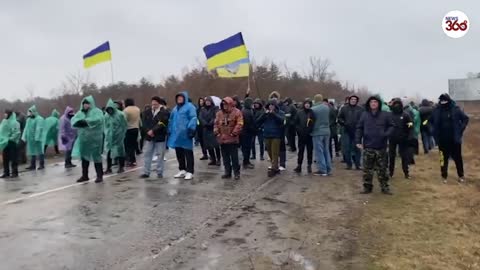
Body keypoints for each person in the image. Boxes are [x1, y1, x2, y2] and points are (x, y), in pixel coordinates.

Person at [355, 96, 394, 195]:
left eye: (375, 102)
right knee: (367, 169)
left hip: (381, 146)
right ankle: (367, 187)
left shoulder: (385, 115)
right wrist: (358, 141)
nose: (373, 103)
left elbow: (392, 126)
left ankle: (385, 187)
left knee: (382, 169)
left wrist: (386, 134)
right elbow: (359, 128)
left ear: (379, 104)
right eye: (371, 102)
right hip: (368, 146)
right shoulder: (364, 115)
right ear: (369, 103)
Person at [430, 94, 469, 183]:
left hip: (455, 139)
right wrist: (432, 130)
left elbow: (465, 119)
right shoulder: (436, 110)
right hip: (442, 140)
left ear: (448, 100)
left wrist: (460, 129)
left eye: (444, 100)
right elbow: (429, 121)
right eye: (441, 101)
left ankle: (461, 175)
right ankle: (444, 176)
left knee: (458, 158)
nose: (443, 102)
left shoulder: (456, 109)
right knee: (443, 158)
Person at [72, 96, 105, 183]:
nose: (85, 105)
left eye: (87, 103)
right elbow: (74, 120)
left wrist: (86, 121)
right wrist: (77, 122)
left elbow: (99, 119)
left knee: (96, 156)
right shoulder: (80, 113)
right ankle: (85, 175)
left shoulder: (97, 111)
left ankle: (99, 175)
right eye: (84, 103)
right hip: (84, 139)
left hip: (95, 138)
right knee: (84, 157)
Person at [168, 91, 197, 180]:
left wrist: (191, 129)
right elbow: (171, 120)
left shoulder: (190, 107)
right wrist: (169, 129)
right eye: (178, 98)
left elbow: (193, 118)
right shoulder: (175, 109)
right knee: (179, 152)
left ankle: (190, 171)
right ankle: (182, 169)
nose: (179, 99)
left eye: (181, 97)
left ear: (185, 98)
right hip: (176, 135)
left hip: (186, 134)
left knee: (188, 152)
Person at [214, 97, 244, 180]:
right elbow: (216, 123)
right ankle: (227, 172)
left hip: (232, 139)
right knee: (225, 158)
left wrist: (234, 133)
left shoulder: (237, 112)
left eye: (226, 104)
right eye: (223, 104)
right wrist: (216, 132)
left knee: (234, 158)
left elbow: (240, 123)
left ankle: (236, 173)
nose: (224, 106)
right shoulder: (219, 113)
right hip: (222, 139)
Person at [140, 96, 170, 178]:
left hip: (160, 136)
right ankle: (146, 172)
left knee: (160, 155)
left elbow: (162, 123)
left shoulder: (164, 112)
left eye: (155, 104)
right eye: (152, 103)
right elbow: (144, 123)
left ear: (159, 103)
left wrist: (153, 130)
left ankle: (159, 172)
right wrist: (148, 131)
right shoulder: (147, 112)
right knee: (147, 154)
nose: (154, 105)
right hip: (149, 136)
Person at [257, 98, 285, 177]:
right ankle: (275, 166)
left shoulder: (280, 113)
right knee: (269, 152)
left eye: (272, 105)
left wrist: (274, 114)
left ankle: (273, 168)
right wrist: (264, 115)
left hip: (276, 135)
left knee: (275, 152)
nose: (271, 106)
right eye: (269, 105)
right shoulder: (266, 113)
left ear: (275, 106)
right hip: (267, 135)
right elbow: (258, 121)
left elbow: (282, 121)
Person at [388, 98, 414, 179]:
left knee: (404, 157)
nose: (397, 106)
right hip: (392, 138)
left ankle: (406, 173)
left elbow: (410, 125)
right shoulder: (389, 115)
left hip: (403, 139)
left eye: (398, 105)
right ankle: (390, 173)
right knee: (391, 156)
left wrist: (409, 135)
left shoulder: (405, 115)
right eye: (395, 105)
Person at [338, 95, 364, 170]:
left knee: (357, 148)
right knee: (347, 148)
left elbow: (363, 119)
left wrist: (360, 127)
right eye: (352, 99)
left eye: (355, 99)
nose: (353, 100)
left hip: (357, 131)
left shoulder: (360, 109)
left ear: (357, 101)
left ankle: (357, 164)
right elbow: (339, 118)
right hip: (346, 131)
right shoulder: (344, 108)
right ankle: (349, 164)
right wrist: (344, 123)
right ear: (349, 100)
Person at [104, 99, 128, 175]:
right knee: (108, 152)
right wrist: (106, 133)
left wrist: (122, 134)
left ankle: (121, 167)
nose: (109, 111)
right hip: (109, 137)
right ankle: (108, 168)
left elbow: (124, 125)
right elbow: (105, 126)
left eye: (111, 109)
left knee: (120, 152)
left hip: (118, 136)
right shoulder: (106, 116)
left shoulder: (120, 114)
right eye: (108, 109)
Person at [311, 94, 332, 176]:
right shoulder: (327, 108)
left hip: (317, 132)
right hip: (327, 131)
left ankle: (322, 169)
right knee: (326, 150)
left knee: (319, 151)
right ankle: (328, 168)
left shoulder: (313, 109)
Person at [294, 99, 315, 174]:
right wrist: (298, 130)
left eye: (308, 104)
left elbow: (313, 123)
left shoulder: (312, 113)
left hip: (309, 135)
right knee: (301, 151)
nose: (307, 105)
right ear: (304, 104)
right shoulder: (299, 113)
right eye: (306, 103)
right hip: (301, 135)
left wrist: (310, 130)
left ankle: (309, 165)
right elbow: (295, 123)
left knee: (310, 151)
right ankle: (299, 165)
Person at [199, 96, 221, 166]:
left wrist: (211, 123)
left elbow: (216, 117)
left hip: (213, 128)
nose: (208, 102)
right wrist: (205, 123)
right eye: (206, 101)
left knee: (216, 145)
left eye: (209, 101)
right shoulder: (202, 109)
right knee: (208, 146)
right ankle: (213, 159)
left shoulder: (215, 108)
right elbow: (200, 117)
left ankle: (218, 159)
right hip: (205, 129)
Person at [22, 105, 46, 170]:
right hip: (30, 139)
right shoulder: (28, 120)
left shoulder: (39, 119)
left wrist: (37, 137)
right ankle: (32, 165)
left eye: (30, 112)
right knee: (32, 152)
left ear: (34, 112)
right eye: (29, 112)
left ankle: (41, 164)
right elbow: (26, 129)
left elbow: (39, 128)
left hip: (38, 139)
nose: (29, 113)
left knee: (40, 151)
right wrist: (24, 137)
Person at [269, 91, 287, 171]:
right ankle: (274, 163)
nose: (274, 99)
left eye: (275, 97)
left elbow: (284, 119)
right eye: (272, 97)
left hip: (281, 130)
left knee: (282, 147)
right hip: (272, 131)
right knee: (273, 148)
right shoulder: (269, 107)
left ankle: (282, 163)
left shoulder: (282, 107)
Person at [0, 110, 21, 178]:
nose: (4, 115)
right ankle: (6, 172)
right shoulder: (4, 122)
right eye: (4, 113)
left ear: (9, 114)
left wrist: (10, 138)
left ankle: (15, 172)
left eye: (6, 113)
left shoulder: (15, 123)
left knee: (13, 158)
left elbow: (17, 133)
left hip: (12, 143)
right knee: (5, 158)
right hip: (4, 143)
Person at [123, 98, 141, 167]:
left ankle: (130, 160)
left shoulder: (126, 110)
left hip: (128, 129)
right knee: (133, 145)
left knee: (128, 146)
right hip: (136, 128)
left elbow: (124, 120)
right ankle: (133, 160)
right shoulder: (137, 109)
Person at [240, 97, 255, 169]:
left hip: (246, 132)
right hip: (246, 133)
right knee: (246, 148)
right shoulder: (246, 111)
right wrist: (254, 129)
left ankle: (247, 161)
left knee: (247, 148)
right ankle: (245, 162)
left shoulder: (247, 110)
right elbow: (249, 123)